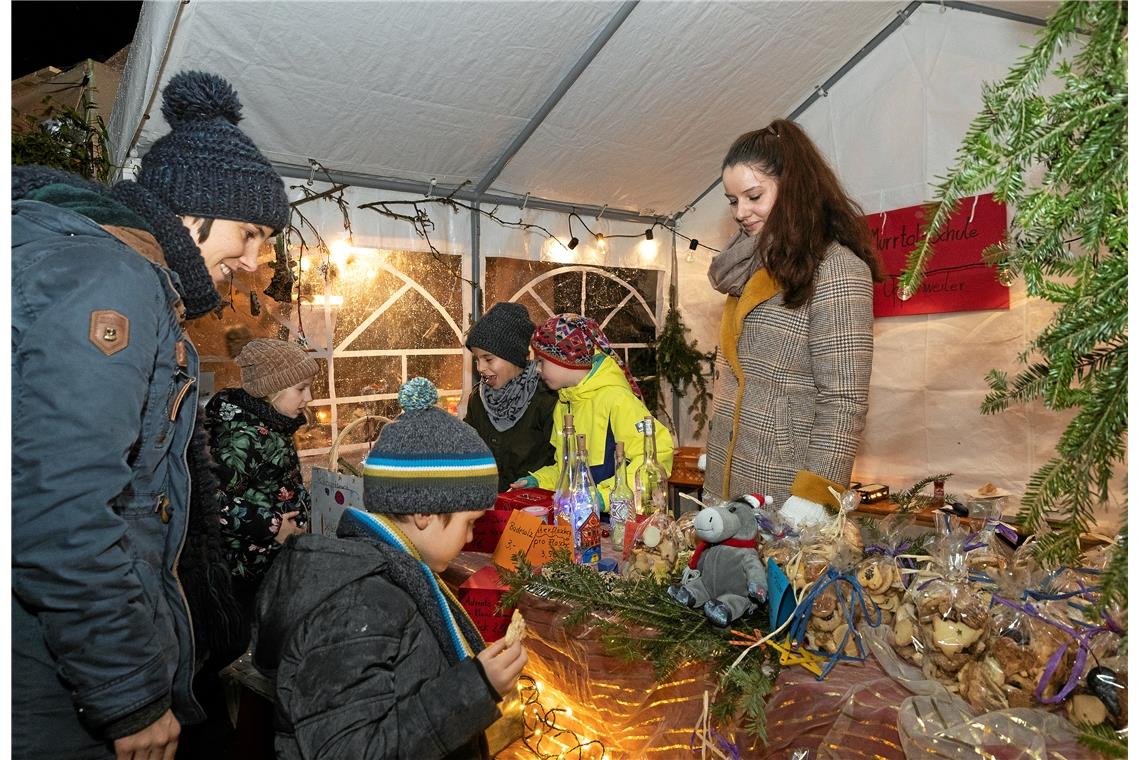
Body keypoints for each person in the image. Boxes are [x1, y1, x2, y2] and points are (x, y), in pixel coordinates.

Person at [12, 70, 289, 759]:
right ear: (191, 210)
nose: (254, 262)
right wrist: (130, 694)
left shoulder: (100, 267)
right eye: (249, 234)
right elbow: (59, 510)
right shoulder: (112, 279)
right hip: (56, 691)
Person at [252, 377, 528, 759]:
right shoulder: (360, 604)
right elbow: (351, 750)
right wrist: (474, 688)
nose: (468, 539)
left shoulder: (396, 576)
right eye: (469, 523)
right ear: (424, 513)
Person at [703, 119, 883, 508]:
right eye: (733, 200)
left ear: (793, 188)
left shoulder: (837, 269)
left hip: (785, 491)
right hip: (730, 478)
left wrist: (815, 495)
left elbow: (844, 400)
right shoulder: (749, 264)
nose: (740, 212)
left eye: (753, 196)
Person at [513, 314, 674, 511]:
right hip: (582, 518)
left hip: (622, 520)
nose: (537, 369)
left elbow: (656, 455)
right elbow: (566, 471)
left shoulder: (616, 399)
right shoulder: (564, 406)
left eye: (541, 361)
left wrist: (606, 497)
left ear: (565, 358)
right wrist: (539, 481)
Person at [204, 338, 319, 614]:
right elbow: (212, 501)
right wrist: (274, 527)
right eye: (301, 389)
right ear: (271, 391)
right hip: (247, 571)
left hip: (275, 561)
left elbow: (277, 484)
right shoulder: (241, 438)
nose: (310, 398)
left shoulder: (276, 424)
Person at [463, 302, 557, 491]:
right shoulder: (478, 400)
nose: (480, 368)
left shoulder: (547, 398)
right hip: (490, 508)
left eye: (488, 359)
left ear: (513, 357)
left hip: (536, 508)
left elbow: (561, 464)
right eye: (477, 359)